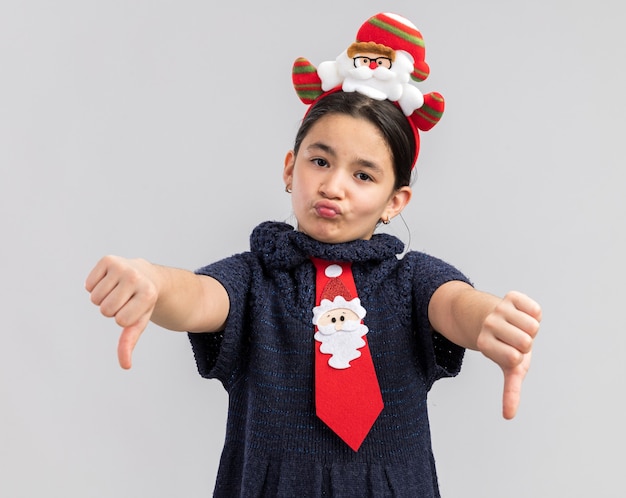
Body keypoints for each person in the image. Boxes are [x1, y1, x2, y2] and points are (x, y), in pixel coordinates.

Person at [85, 12, 541, 497]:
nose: (333, 185)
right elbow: (199, 297)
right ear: (289, 168)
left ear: (395, 202)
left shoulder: (411, 282)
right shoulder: (254, 278)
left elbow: (453, 305)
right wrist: (154, 280)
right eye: (319, 160)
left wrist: (490, 318)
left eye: (363, 175)